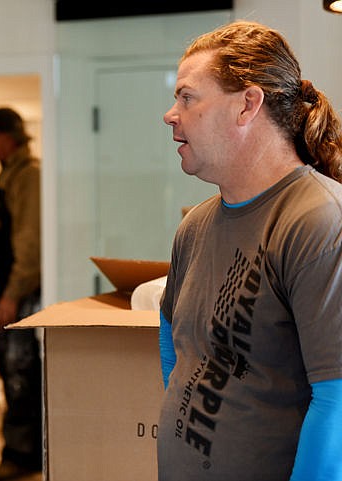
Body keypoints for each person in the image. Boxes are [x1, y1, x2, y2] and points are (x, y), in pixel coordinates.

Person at [158, 20, 342, 481]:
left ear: (247, 104)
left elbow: (337, 398)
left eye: (187, 97)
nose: (170, 114)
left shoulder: (317, 220)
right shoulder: (195, 226)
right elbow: (174, 343)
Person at [0, 107, 42, 480]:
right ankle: (20, 451)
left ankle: (23, 456)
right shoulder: (8, 174)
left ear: (6, 136)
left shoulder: (27, 176)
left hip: (23, 293)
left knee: (21, 373)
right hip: (10, 288)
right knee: (10, 371)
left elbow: (29, 243)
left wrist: (12, 294)